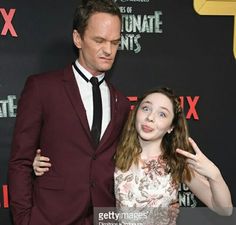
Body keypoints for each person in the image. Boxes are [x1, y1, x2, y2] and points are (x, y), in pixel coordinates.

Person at [8, 1, 130, 225]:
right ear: (78, 38)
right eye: (99, 40)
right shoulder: (42, 88)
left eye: (115, 42)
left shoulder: (121, 102)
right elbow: (20, 162)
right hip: (50, 218)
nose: (108, 50)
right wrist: (24, 219)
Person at [33, 87, 233, 225]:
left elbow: (224, 211)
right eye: (146, 108)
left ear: (172, 127)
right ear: (136, 112)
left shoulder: (177, 161)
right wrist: (39, 163)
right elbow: (78, 171)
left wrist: (214, 175)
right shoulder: (114, 152)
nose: (150, 117)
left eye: (162, 114)